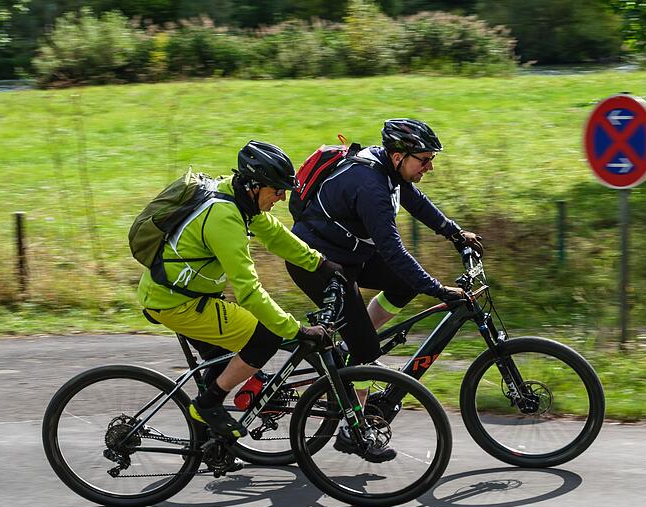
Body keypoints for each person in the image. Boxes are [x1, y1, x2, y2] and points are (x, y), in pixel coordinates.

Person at [286, 119, 484, 462]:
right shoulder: (371, 186)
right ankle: (354, 429)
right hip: (318, 264)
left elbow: (416, 202)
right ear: (398, 156)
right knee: (365, 350)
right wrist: (438, 290)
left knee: (402, 284)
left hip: (347, 253)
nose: (430, 167)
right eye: (424, 159)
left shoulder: (387, 170)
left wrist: (454, 233)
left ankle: (352, 343)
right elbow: (393, 251)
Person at [138, 141, 343, 441]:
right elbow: (248, 290)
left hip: (180, 294)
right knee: (265, 337)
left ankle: (208, 441)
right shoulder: (224, 219)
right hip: (178, 302)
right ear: (254, 186)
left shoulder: (236, 198)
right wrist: (295, 330)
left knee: (223, 364)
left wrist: (321, 264)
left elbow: (275, 236)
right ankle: (208, 406)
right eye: (276, 190)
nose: (282, 197)